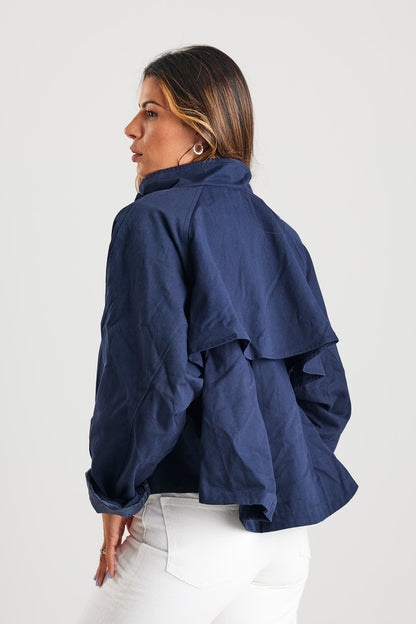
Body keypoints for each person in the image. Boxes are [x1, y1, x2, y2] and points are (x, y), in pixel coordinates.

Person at [79, 45, 358, 623]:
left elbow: (148, 384)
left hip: (189, 531)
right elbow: (326, 391)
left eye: (151, 112)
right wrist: (273, 462)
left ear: (201, 133)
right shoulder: (277, 230)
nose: (131, 129)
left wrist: (115, 493)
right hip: (282, 541)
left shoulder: (150, 221)